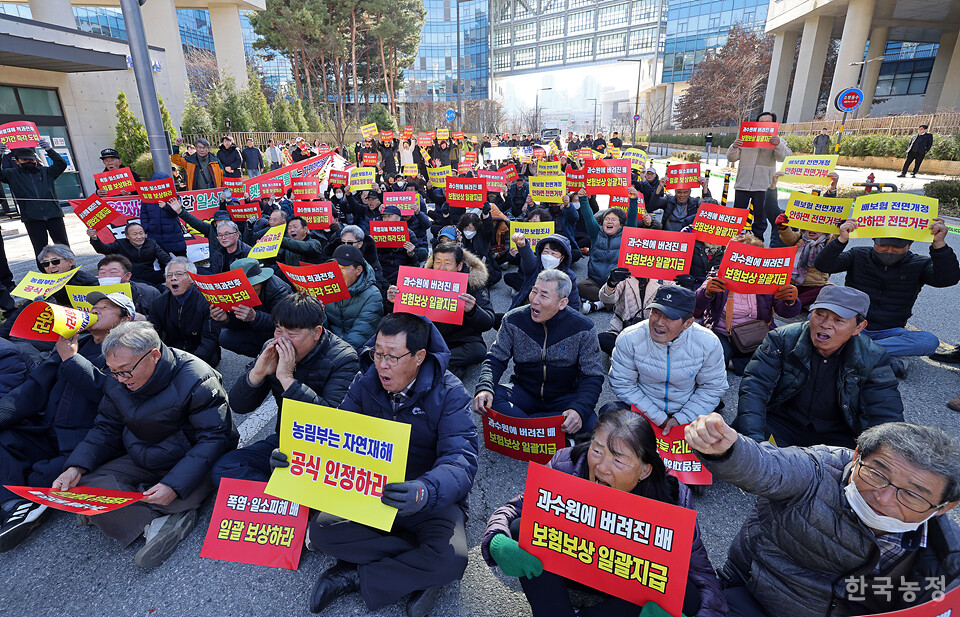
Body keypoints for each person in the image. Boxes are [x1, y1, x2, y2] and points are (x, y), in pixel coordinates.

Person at [686, 415, 960, 617]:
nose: (883, 498)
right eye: (877, 474)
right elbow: (767, 466)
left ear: (944, 506)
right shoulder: (818, 470)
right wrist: (727, 449)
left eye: (912, 495)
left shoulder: (949, 554)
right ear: (856, 457)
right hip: (755, 599)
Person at [296, 313, 479, 615]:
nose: (382, 364)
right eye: (378, 353)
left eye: (393, 357)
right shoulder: (364, 382)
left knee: (453, 559)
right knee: (321, 532)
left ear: (420, 356)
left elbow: (461, 460)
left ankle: (353, 575)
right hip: (372, 487)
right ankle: (419, 569)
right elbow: (337, 435)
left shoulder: (451, 393)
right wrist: (296, 457)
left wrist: (425, 490)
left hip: (427, 496)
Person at [483, 408, 728, 617]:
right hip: (573, 561)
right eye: (597, 450)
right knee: (521, 528)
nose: (601, 467)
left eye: (619, 461)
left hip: (624, 576)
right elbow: (516, 508)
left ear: (644, 471)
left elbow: (702, 574)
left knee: (686, 596)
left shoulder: (675, 497)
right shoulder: (565, 463)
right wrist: (496, 540)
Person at [52, 322, 236, 568]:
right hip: (144, 453)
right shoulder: (118, 379)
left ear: (154, 355)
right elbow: (106, 427)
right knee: (83, 485)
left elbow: (214, 438)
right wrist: (76, 467)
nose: (120, 379)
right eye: (114, 371)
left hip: (191, 458)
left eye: (126, 371)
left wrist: (174, 484)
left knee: (182, 488)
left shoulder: (196, 377)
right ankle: (160, 517)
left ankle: (146, 512)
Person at [0, 292, 132, 551]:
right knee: (4, 437)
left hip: (85, 440)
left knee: (38, 477)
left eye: (106, 308)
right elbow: (33, 389)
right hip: (48, 431)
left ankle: (22, 500)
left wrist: (72, 360)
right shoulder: (75, 341)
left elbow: (110, 393)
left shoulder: (129, 349)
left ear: (125, 319)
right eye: (94, 307)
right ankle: (14, 505)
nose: (96, 310)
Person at [210, 293, 357, 484]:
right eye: (278, 330)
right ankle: (280, 504)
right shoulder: (270, 348)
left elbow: (331, 421)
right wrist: (257, 374)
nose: (282, 340)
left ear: (317, 333)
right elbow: (238, 406)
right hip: (286, 440)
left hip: (325, 451)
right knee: (224, 469)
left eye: (292, 334)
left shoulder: (344, 358)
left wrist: (288, 379)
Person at [734, 285, 904, 449]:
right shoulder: (782, 339)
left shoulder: (873, 357)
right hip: (781, 425)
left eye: (838, 320)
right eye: (819, 315)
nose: (825, 324)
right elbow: (755, 388)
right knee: (735, 446)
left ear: (859, 327)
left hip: (837, 436)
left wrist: (875, 459)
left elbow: (885, 413)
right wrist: (754, 445)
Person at [814, 217, 959, 376]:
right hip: (853, 325)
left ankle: (852, 349)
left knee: (929, 342)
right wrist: (841, 240)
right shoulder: (858, 255)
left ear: (910, 244)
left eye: (897, 246)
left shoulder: (919, 264)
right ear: (873, 240)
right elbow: (823, 265)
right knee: (813, 321)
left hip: (890, 331)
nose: (889, 250)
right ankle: (881, 357)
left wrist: (939, 245)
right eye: (883, 244)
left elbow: (947, 279)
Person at [475, 270, 603, 435]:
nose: (534, 300)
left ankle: (526, 427)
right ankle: (545, 428)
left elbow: (592, 375)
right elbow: (495, 359)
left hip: (563, 397)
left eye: (544, 295)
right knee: (492, 398)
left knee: (589, 421)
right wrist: (485, 387)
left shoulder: (583, 328)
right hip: (524, 392)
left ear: (562, 303)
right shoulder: (512, 320)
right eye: (534, 291)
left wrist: (578, 410)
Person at [609, 285, 727, 435]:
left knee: (717, 437)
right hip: (644, 409)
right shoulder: (629, 337)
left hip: (688, 411)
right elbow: (623, 383)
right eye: (656, 313)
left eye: (669, 317)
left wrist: (681, 419)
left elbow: (713, 387)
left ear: (688, 323)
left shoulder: (708, 342)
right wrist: (659, 418)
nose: (659, 322)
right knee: (610, 415)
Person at [695, 233, 802, 374]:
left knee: (778, 356)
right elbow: (696, 306)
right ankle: (733, 362)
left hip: (756, 333)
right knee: (713, 357)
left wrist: (791, 301)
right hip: (722, 333)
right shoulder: (718, 275)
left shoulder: (768, 279)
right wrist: (707, 292)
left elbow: (785, 312)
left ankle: (733, 364)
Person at [387, 243, 495, 372]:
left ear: (459, 266)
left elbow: (488, 321)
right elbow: (403, 318)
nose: (442, 268)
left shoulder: (473, 284)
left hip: (461, 340)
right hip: (430, 337)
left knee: (478, 351)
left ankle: (431, 362)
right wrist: (392, 302)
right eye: (438, 262)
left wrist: (473, 310)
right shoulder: (421, 282)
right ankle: (446, 365)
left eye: (448, 263)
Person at [577, 187, 650, 310]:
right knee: (579, 286)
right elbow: (588, 217)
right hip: (595, 281)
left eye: (613, 219)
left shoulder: (627, 234)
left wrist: (633, 199)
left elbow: (632, 217)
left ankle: (600, 303)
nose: (609, 222)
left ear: (621, 224)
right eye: (607, 219)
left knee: (629, 291)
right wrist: (583, 199)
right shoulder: (596, 233)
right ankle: (608, 303)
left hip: (617, 283)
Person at [726, 111, 792, 241]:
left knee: (760, 219)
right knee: (737, 217)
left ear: (774, 124)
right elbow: (731, 157)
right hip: (742, 185)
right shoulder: (746, 138)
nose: (764, 125)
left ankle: (758, 244)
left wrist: (777, 144)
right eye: (761, 122)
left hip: (763, 186)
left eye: (768, 122)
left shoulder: (778, 140)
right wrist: (734, 147)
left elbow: (785, 157)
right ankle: (732, 243)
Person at [149, 257, 221, 367]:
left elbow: (210, 339)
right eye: (169, 275)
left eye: (179, 274)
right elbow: (153, 334)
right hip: (172, 353)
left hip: (201, 354)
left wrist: (191, 363)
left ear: (192, 278)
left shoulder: (207, 301)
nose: (173, 278)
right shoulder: (159, 303)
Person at [212, 258, 292, 357]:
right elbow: (240, 324)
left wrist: (255, 317)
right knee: (225, 337)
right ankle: (262, 357)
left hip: (279, 334)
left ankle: (276, 358)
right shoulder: (238, 292)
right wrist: (227, 318)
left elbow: (287, 324)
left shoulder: (277, 289)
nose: (248, 290)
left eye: (251, 285)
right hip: (258, 331)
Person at [0, 141, 69, 256]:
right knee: (40, 250)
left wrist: (49, 150)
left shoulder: (47, 172)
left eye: (31, 160)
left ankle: (70, 270)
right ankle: (45, 272)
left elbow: (61, 164)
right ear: (17, 161)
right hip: (32, 219)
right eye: (24, 160)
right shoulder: (12, 174)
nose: (29, 162)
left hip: (54, 216)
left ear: (35, 160)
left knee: (63, 247)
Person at [324, 244, 384, 351]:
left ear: (358, 270)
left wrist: (335, 355)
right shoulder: (326, 288)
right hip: (327, 347)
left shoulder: (372, 295)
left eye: (342, 268)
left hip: (355, 353)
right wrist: (318, 312)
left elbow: (360, 335)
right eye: (334, 268)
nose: (337, 273)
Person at [510, 232, 582, 312]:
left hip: (551, 315)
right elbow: (528, 258)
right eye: (546, 251)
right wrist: (523, 246)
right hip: (527, 310)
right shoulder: (535, 266)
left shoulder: (569, 277)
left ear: (561, 258)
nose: (549, 256)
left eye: (554, 253)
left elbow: (573, 304)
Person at [776, 212, 835, 309]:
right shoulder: (799, 237)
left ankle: (795, 303)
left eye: (817, 228)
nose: (811, 230)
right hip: (792, 281)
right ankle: (795, 301)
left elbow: (835, 244)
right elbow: (789, 238)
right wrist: (784, 227)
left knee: (828, 290)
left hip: (814, 285)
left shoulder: (827, 243)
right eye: (809, 226)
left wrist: (840, 231)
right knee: (779, 287)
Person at [87, 222, 171, 287]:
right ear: (127, 236)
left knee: (171, 272)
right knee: (153, 287)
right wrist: (94, 238)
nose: (139, 237)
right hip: (130, 277)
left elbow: (165, 258)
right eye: (135, 234)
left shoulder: (151, 243)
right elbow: (103, 249)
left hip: (149, 274)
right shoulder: (120, 243)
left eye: (141, 233)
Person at [96, 254, 160, 317]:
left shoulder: (149, 293)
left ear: (127, 276)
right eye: (102, 273)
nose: (107, 276)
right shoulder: (92, 294)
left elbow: (162, 319)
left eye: (113, 272)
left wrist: (144, 318)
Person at [139, 174, 187, 257]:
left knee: (182, 259)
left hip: (173, 233)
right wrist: (145, 228)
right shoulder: (146, 198)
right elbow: (144, 214)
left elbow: (177, 212)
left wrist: (166, 206)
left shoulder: (173, 196)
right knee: (162, 260)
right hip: (155, 233)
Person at [645, 176, 712, 232]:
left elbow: (709, 207)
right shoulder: (669, 200)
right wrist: (660, 186)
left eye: (685, 192)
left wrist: (704, 187)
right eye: (679, 192)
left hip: (686, 235)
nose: (682, 195)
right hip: (667, 234)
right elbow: (651, 206)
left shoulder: (694, 202)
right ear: (675, 192)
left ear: (690, 192)